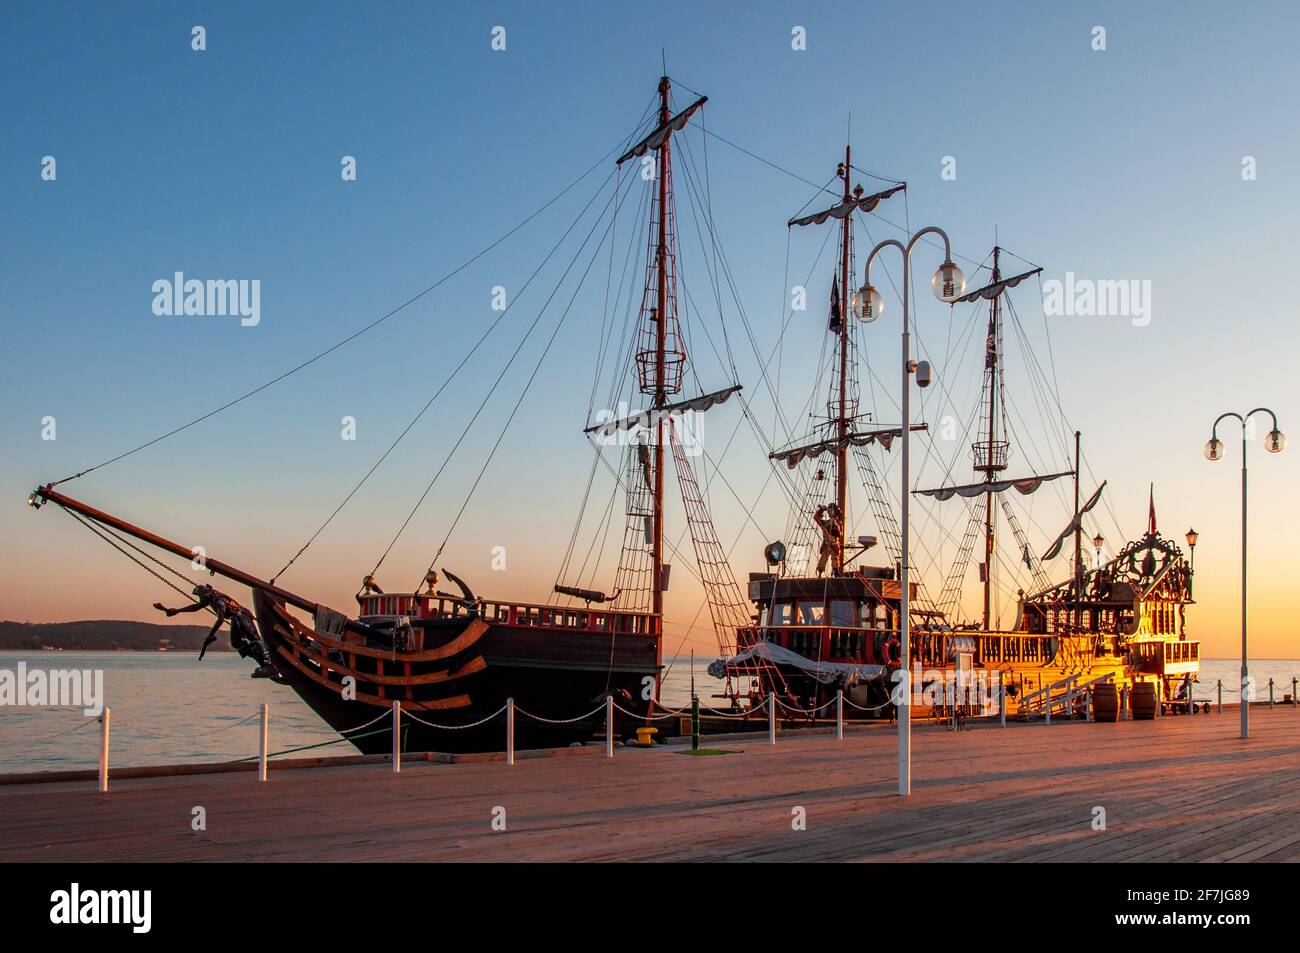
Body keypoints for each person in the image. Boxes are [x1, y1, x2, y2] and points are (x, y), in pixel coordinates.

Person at [154, 585, 281, 679]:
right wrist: (177, 611)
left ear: (207, 594)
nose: (200, 599)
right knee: (237, 643)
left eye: (201, 596)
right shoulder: (210, 598)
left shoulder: (219, 601)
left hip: (241, 616)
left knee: (254, 638)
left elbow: (220, 619)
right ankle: (262, 661)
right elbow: (195, 607)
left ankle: (270, 665)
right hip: (235, 618)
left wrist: (211, 634)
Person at [814, 503, 843, 575]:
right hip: (826, 543)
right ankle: (820, 571)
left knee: (835, 558)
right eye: (828, 511)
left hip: (834, 543)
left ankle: (835, 571)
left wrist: (835, 528)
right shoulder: (825, 523)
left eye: (831, 511)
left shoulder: (838, 522)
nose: (830, 512)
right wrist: (821, 510)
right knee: (823, 558)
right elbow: (816, 518)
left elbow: (840, 534)